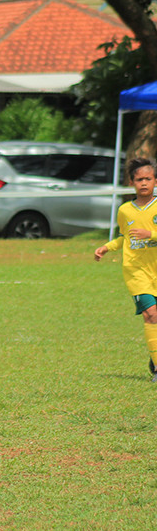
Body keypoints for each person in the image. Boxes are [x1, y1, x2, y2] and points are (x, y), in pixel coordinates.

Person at [94, 157, 157, 381]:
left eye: (148, 179)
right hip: (136, 271)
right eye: (139, 179)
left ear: (155, 180)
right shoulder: (125, 211)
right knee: (151, 315)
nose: (143, 183)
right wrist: (107, 247)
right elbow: (124, 238)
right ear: (132, 182)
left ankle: (155, 354)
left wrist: (151, 234)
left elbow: (147, 235)